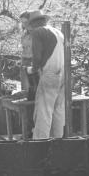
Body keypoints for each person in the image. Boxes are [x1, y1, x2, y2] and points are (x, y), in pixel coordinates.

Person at [22, 9, 65, 140]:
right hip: (63, 74)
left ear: (33, 24)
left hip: (50, 75)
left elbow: (37, 57)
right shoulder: (58, 32)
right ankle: (58, 141)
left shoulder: (38, 32)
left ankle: (40, 145)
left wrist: (31, 70)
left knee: (43, 111)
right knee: (58, 109)